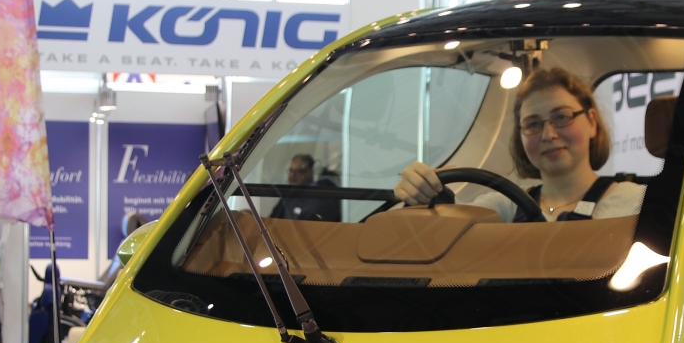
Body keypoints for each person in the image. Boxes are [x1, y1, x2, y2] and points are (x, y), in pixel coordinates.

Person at [394, 66, 645, 223]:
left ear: (591, 122)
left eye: (561, 117)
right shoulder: (505, 206)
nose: (548, 134)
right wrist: (422, 194)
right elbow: (448, 229)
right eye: (532, 124)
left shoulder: (636, 204)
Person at [272, 153, 340, 223]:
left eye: (299, 171)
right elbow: (272, 221)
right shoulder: (287, 197)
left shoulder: (322, 197)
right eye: (291, 171)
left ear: (310, 172)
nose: (293, 175)